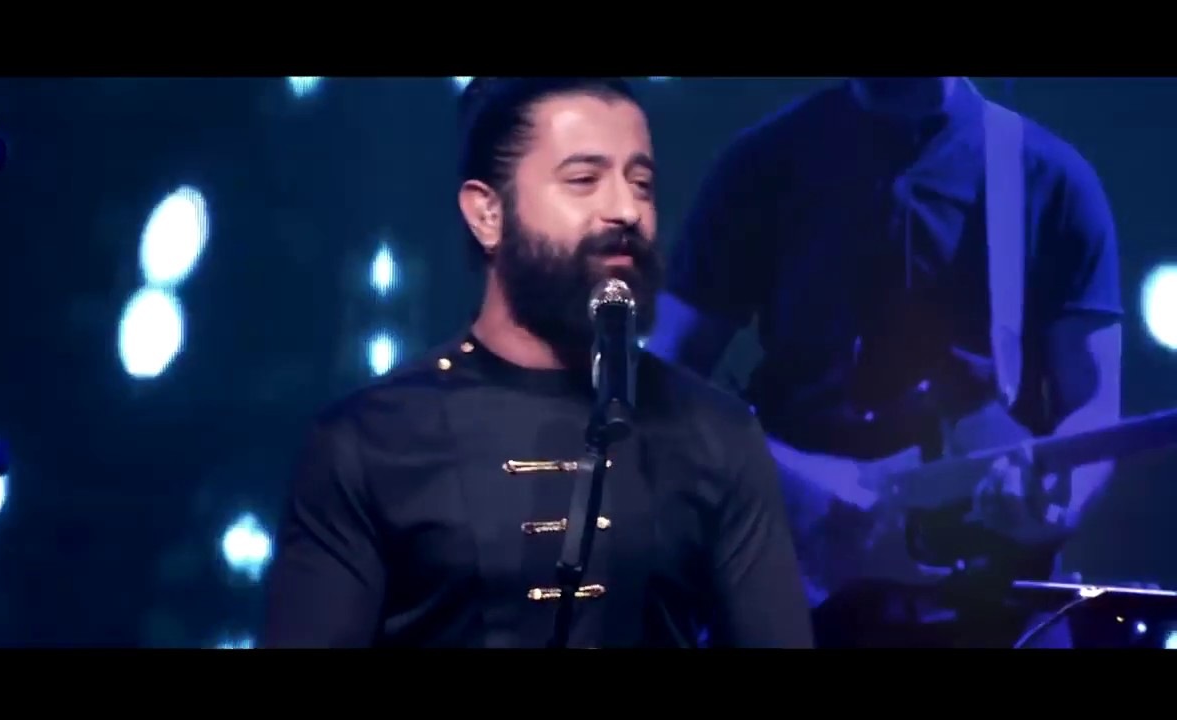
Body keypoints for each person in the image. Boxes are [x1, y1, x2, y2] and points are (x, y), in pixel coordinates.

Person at [261, 77, 814, 649]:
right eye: (583, 180)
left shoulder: (717, 434)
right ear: (488, 214)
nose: (626, 209)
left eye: (641, 184)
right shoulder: (369, 441)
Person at [648, 77, 1123, 648]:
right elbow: (662, 382)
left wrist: (1057, 506)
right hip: (796, 595)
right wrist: (790, 487)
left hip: (995, 603)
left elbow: (1094, 409)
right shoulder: (761, 165)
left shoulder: (1050, 176)